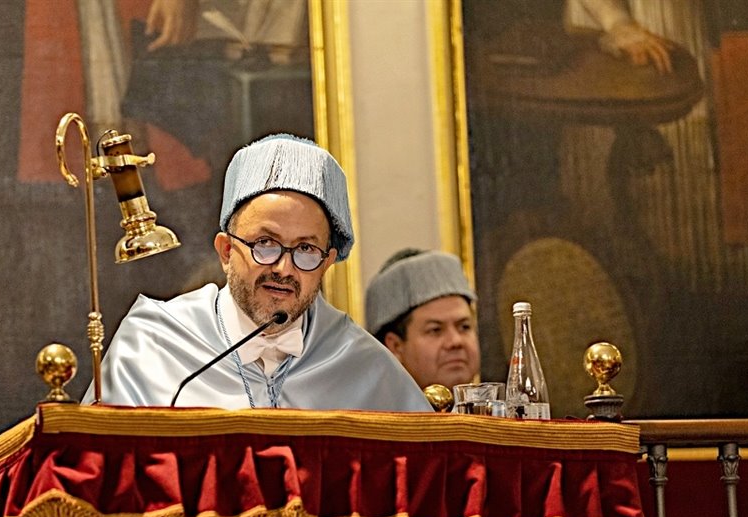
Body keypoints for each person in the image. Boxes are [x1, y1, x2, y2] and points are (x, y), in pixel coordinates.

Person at [88, 134, 432, 411]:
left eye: (306, 250)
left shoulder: (361, 363)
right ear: (226, 250)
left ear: (327, 263)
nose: (284, 268)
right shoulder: (154, 344)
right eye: (265, 243)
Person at [365, 249, 481, 391]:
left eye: (464, 327)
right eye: (435, 330)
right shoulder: (374, 411)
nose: (455, 341)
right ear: (395, 346)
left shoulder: (500, 411)